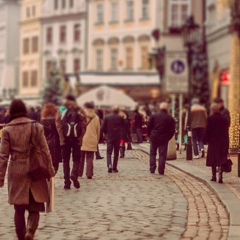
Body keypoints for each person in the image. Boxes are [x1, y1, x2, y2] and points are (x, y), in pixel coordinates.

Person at [0, 99, 55, 240]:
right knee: (35, 206)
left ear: (11, 111)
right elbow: (45, 150)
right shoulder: (36, 127)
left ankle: (21, 237)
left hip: (17, 170)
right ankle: (30, 231)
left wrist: (0, 177)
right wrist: (50, 170)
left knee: (18, 209)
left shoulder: (7, 130)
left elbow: (3, 156)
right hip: (35, 169)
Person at [56, 95, 87, 189]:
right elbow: (84, 124)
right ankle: (74, 173)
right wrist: (80, 137)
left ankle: (67, 182)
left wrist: (61, 137)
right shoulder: (79, 109)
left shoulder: (62, 109)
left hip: (65, 139)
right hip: (76, 139)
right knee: (76, 159)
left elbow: (58, 123)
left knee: (66, 161)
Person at [147, 102, 175, 175]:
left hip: (154, 137)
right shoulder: (170, 118)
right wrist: (168, 137)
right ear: (167, 108)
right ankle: (161, 170)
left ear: (160, 107)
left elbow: (149, 126)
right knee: (162, 154)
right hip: (164, 138)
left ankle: (152, 168)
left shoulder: (154, 116)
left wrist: (149, 135)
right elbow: (172, 130)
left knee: (152, 153)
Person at [206, 103, 229, 183]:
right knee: (221, 158)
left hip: (213, 142)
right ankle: (220, 175)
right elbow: (226, 132)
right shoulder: (224, 119)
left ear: (212, 110)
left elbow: (207, 131)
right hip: (223, 142)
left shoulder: (210, 119)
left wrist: (206, 140)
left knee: (213, 159)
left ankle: (213, 176)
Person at [78, 102, 100, 179]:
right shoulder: (96, 117)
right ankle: (89, 174)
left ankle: (79, 173)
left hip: (82, 138)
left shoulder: (81, 116)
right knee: (90, 158)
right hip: (92, 139)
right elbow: (98, 130)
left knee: (81, 157)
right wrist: (97, 139)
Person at [101, 105, 125, 173]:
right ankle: (114, 167)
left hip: (110, 136)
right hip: (117, 137)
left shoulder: (107, 117)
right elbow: (123, 126)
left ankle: (109, 165)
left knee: (109, 152)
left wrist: (106, 132)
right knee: (116, 153)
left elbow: (102, 128)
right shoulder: (120, 118)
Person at [40, 103, 62, 174]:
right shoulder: (56, 121)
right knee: (55, 166)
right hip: (55, 145)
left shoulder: (42, 122)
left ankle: (48, 180)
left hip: (45, 145)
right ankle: (51, 179)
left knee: (46, 164)